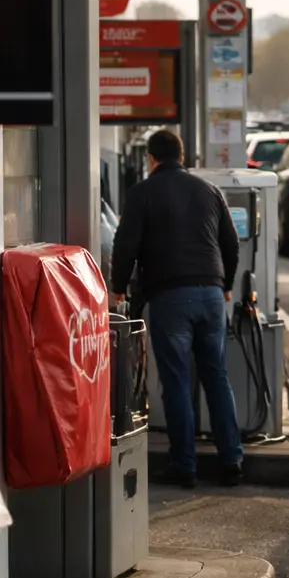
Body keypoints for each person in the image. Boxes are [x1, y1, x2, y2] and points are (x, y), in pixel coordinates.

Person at [110, 130, 243, 488]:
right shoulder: (209, 191)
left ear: (150, 159)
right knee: (216, 377)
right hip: (212, 295)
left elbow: (126, 246)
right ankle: (231, 459)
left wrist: (118, 288)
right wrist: (226, 285)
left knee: (177, 381)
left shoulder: (142, 193)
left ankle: (184, 465)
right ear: (182, 157)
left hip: (172, 297)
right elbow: (230, 244)